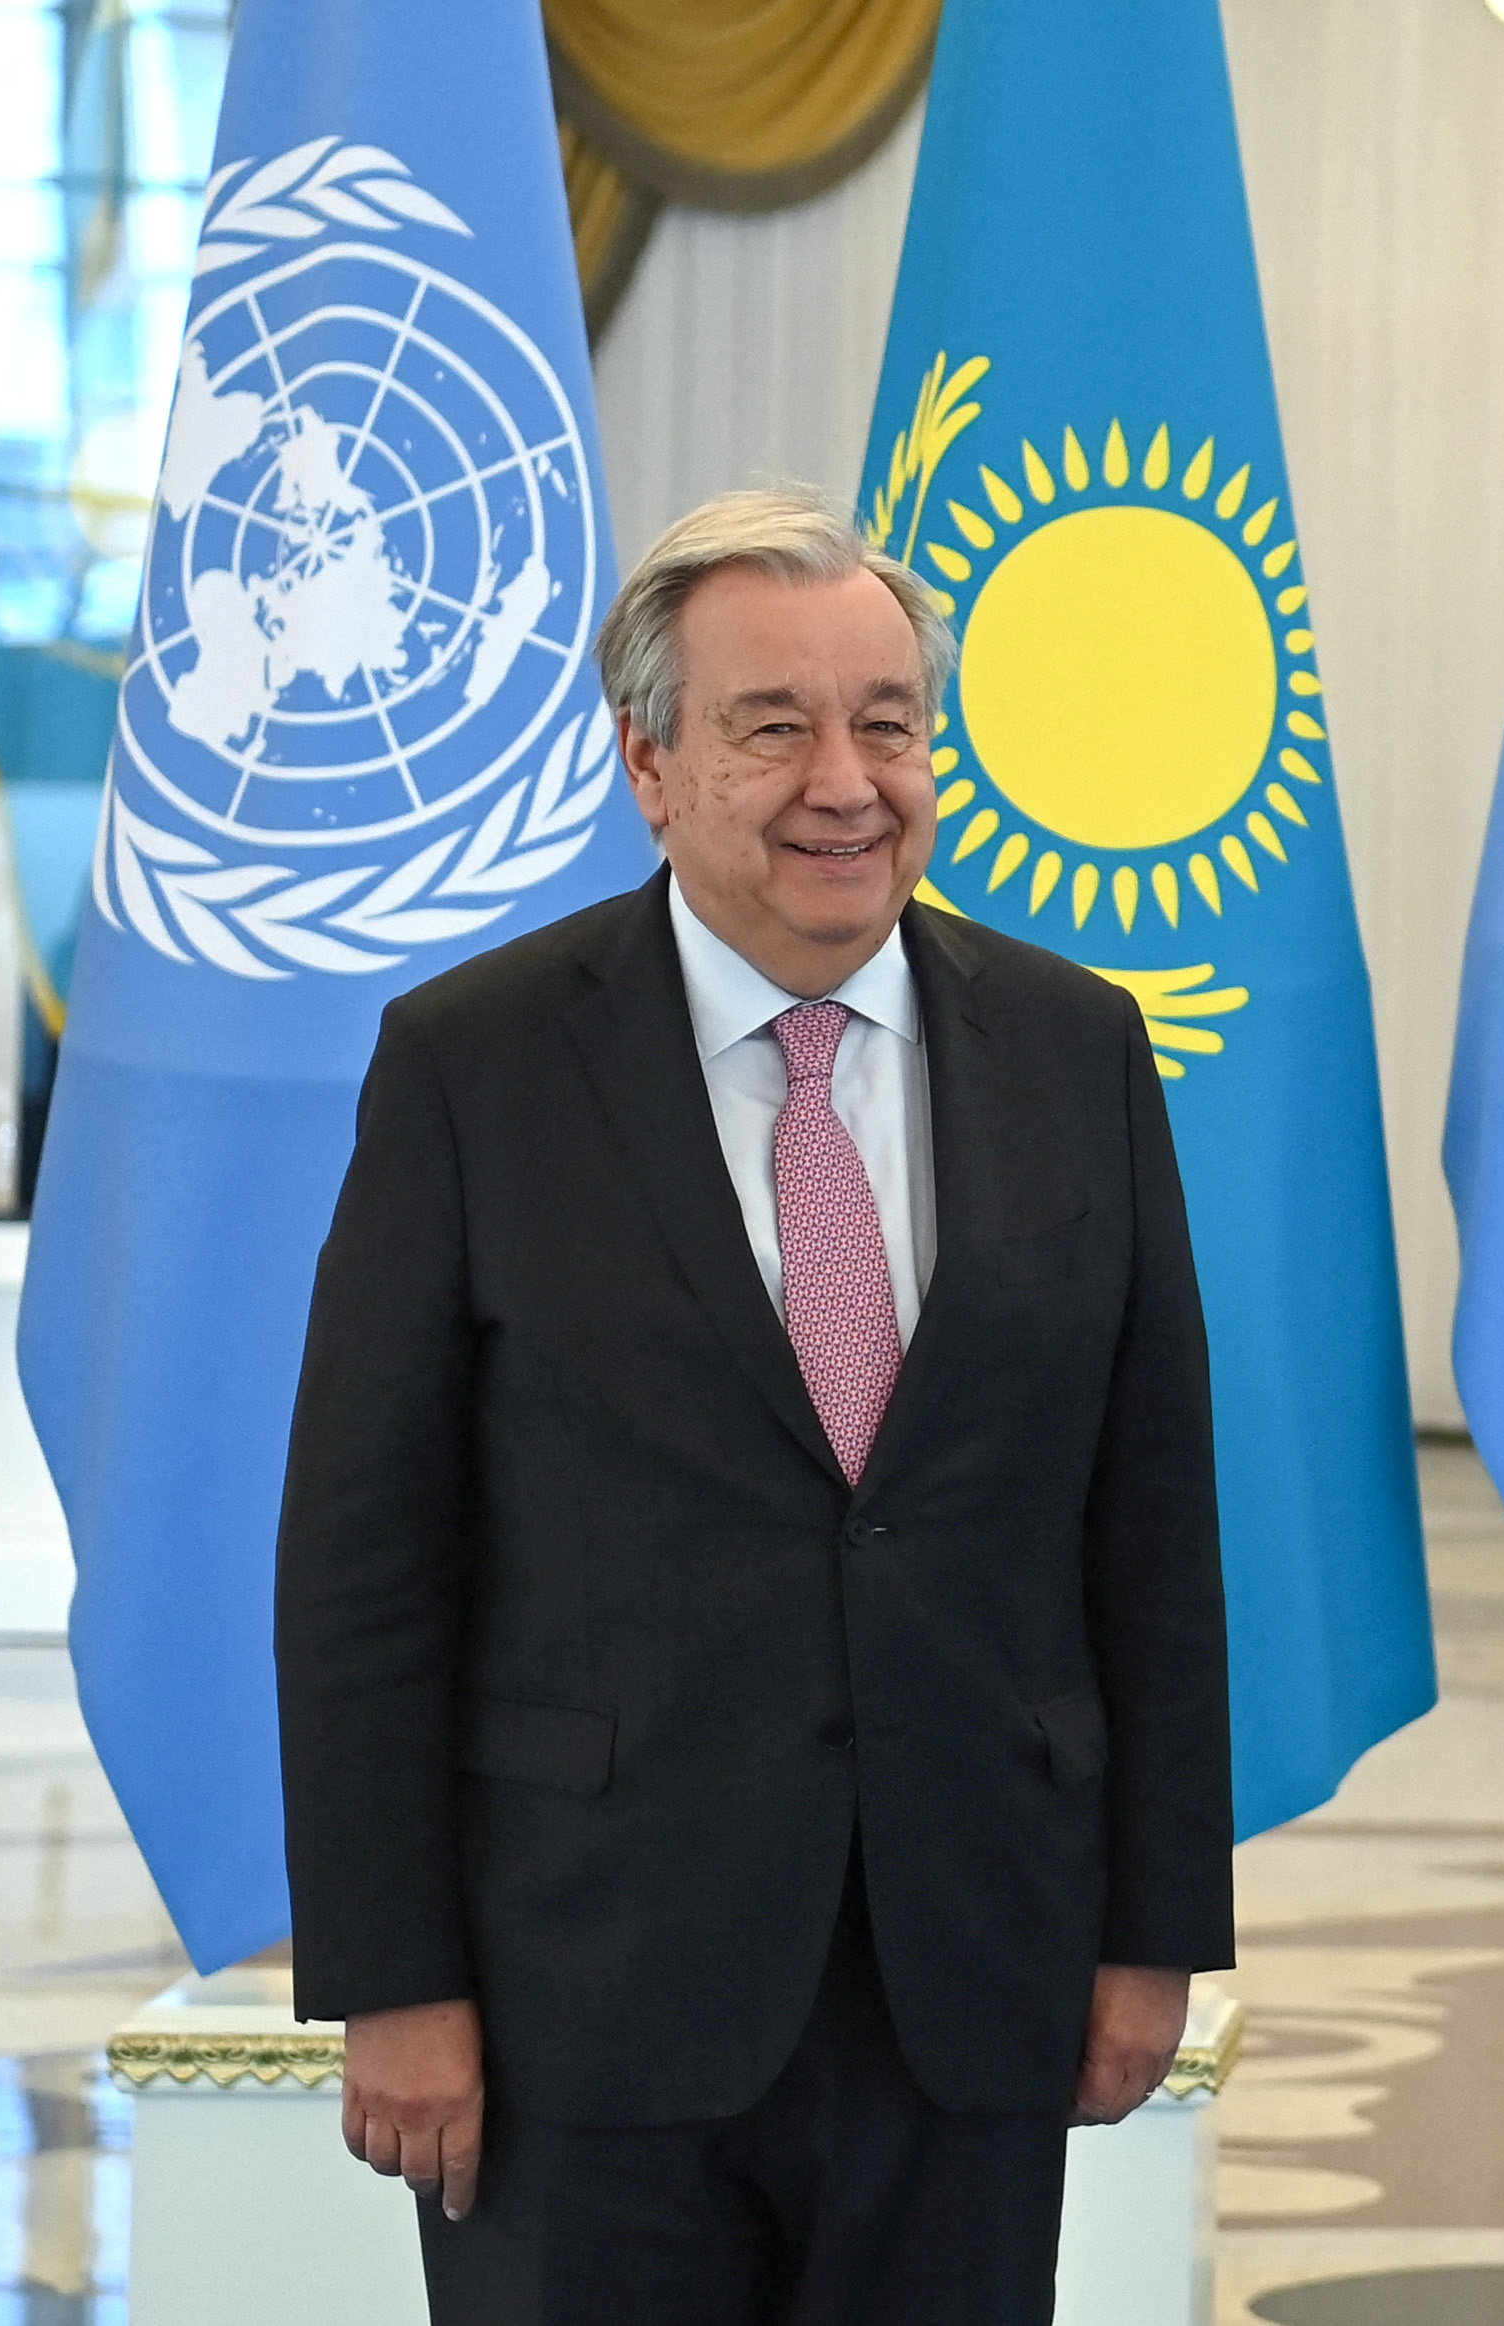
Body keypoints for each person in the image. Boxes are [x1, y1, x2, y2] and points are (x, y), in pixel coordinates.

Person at [274, 487, 1233, 2325]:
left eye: (887, 720)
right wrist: (390, 1979)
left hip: (968, 1975)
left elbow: (1150, 1530)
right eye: (772, 726)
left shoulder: (1075, 1046)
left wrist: (1152, 1928)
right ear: (649, 761)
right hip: (583, 1997)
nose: (845, 781)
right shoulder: (471, 1067)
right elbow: (364, 1567)